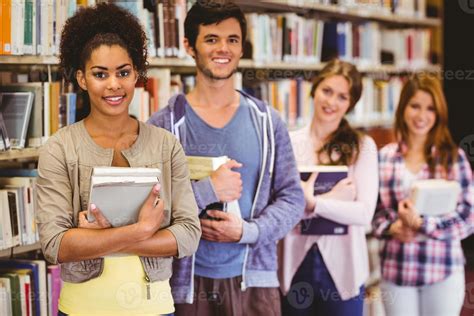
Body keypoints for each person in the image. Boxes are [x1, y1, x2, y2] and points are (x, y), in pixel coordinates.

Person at [35, 3, 201, 315]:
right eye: (100, 74)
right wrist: (141, 231)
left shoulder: (166, 146)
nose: (114, 84)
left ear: (136, 74)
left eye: (123, 72)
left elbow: (189, 235)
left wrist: (95, 238)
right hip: (83, 308)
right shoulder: (60, 148)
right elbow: (55, 245)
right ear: (82, 79)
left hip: (155, 308)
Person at [148, 1, 305, 315]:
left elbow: (292, 197)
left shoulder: (268, 122)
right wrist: (208, 190)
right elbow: (150, 212)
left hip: (254, 284)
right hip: (186, 286)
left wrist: (248, 231)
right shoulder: (163, 126)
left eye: (232, 40)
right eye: (211, 39)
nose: (224, 48)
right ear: (189, 46)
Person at [279, 59, 379, 316]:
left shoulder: (362, 146)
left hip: (343, 267)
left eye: (342, 97)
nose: (331, 102)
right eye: (327, 91)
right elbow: (279, 209)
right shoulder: (289, 142)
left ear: (350, 103)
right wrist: (335, 199)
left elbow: (364, 213)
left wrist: (314, 203)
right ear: (314, 89)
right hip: (295, 263)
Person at [372, 73, 473, 316]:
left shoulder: (452, 158)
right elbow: (373, 214)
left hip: (442, 270)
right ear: (403, 108)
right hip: (397, 269)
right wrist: (392, 228)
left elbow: (469, 217)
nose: (421, 115)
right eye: (415, 106)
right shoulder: (384, 157)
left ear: (439, 114)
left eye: (430, 109)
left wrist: (422, 224)